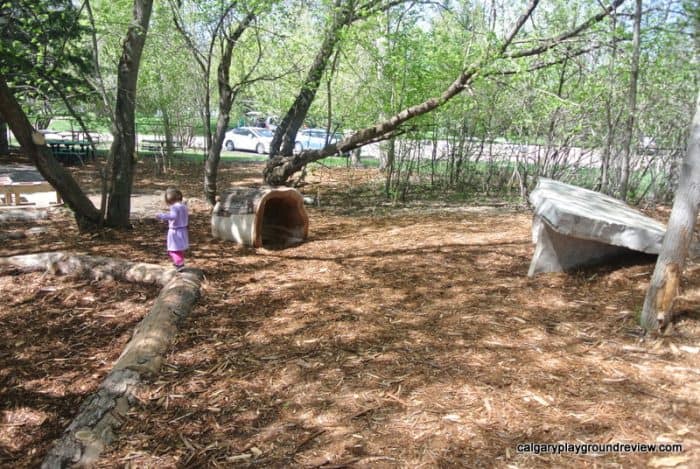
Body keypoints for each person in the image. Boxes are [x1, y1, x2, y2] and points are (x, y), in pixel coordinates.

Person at [156, 187, 189, 271]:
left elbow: (173, 216)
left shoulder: (174, 207)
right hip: (183, 230)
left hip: (175, 231)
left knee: (172, 249)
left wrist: (162, 215)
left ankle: (179, 264)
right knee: (179, 249)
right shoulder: (183, 206)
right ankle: (179, 262)